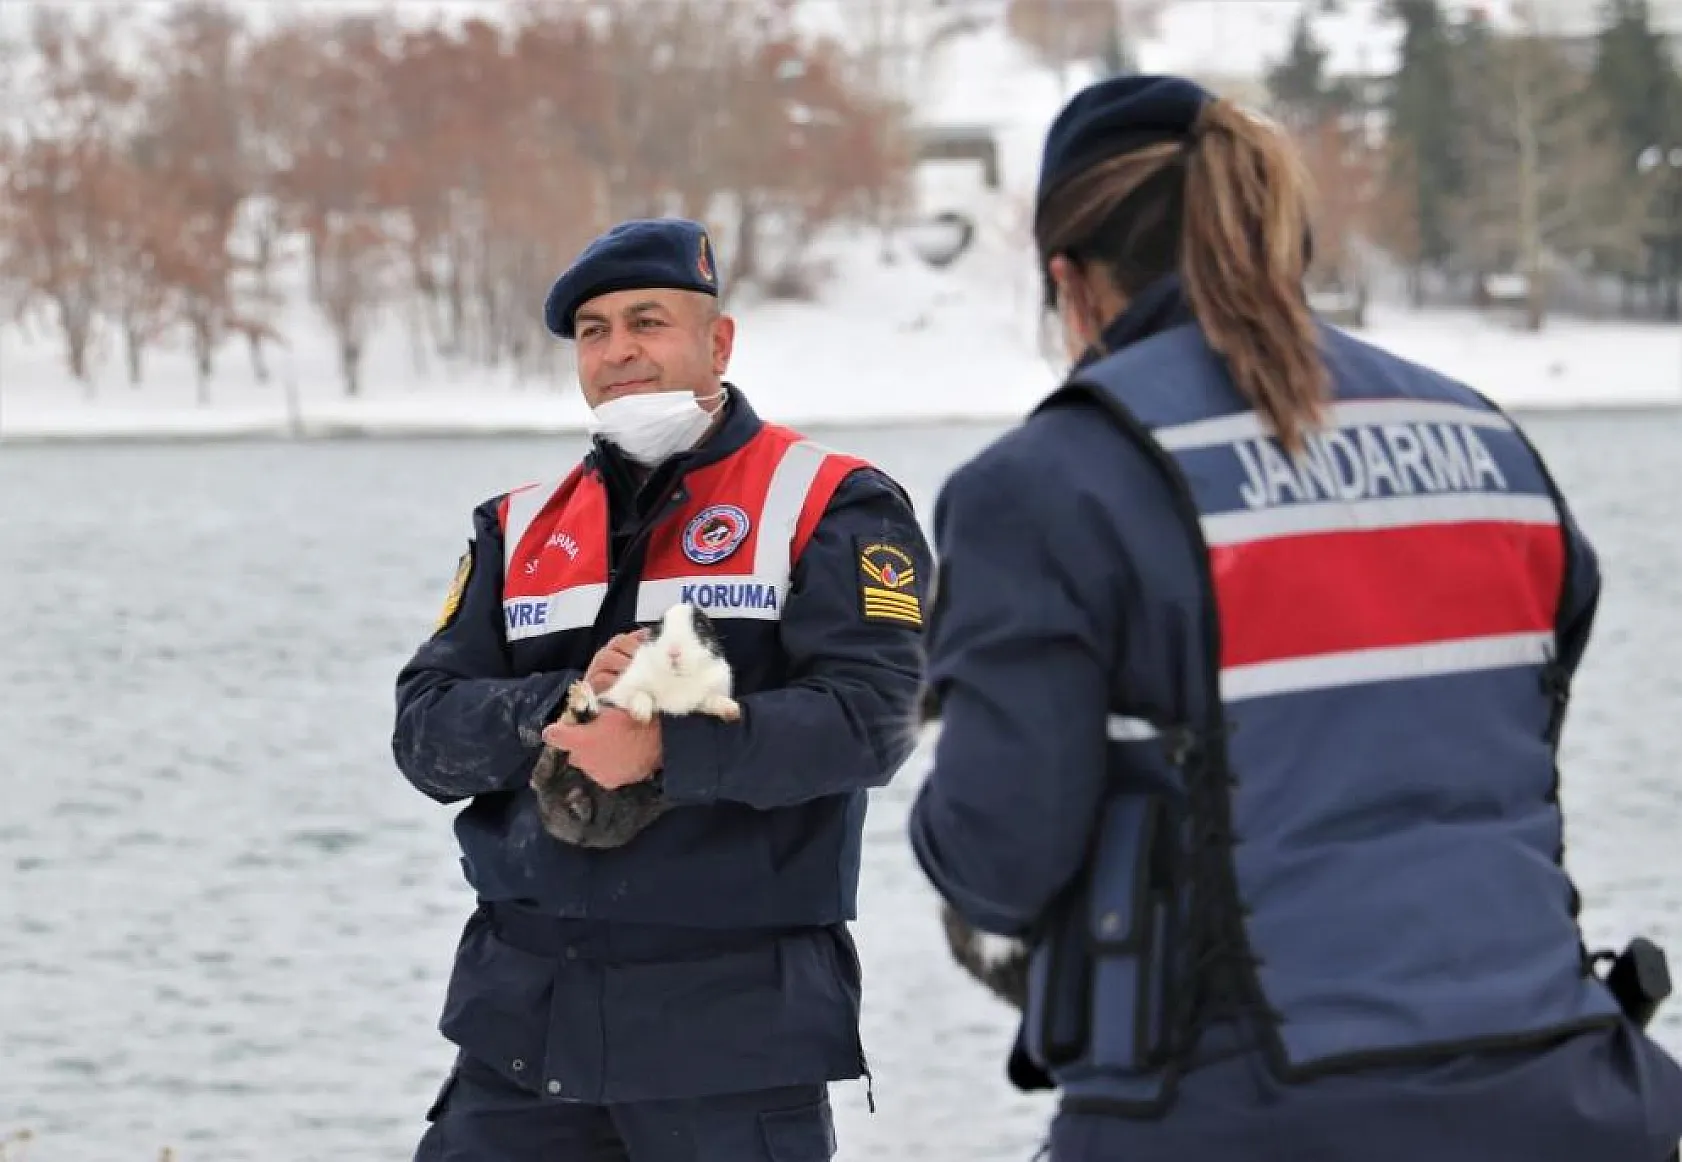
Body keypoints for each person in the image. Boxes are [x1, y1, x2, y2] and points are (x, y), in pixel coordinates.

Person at [908, 73, 1682, 1162]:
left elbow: (1000, 854)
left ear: (1068, 282)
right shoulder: (1485, 445)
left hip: (1242, 1113)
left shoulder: (1048, 485)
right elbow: (1504, 738)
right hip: (1571, 1097)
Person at [392, 216, 930, 1162]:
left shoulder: (831, 500)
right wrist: (556, 707)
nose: (619, 352)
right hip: (522, 1037)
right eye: (594, 332)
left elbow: (876, 719)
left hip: (730, 1042)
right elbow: (424, 733)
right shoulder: (518, 527)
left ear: (716, 341)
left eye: (648, 321)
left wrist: (669, 749)